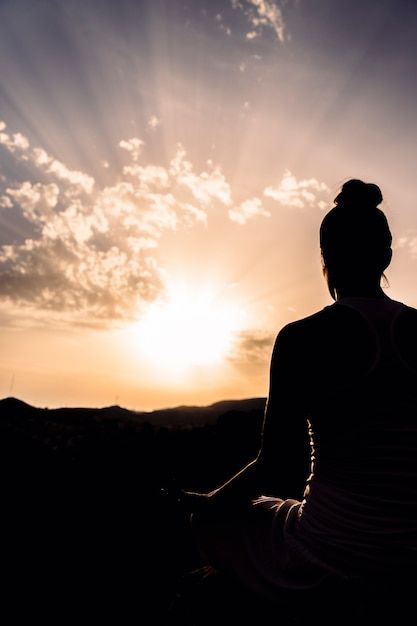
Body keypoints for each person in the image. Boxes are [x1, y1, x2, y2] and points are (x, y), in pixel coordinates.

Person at [183, 179, 417, 607]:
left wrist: (212, 502)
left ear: (325, 258)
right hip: (411, 551)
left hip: (333, 550)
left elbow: (276, 462)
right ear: (386, 254)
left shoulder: (302, 337)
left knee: (209, 521)